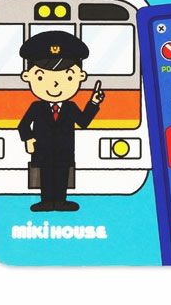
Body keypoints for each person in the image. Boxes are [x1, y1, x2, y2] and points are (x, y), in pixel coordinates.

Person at [18, 30, 105, 212]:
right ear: (27, 76)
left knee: (62, 175)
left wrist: (94, 103)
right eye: (41, 77)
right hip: (43, 151)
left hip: (64, 152)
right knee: (46, 176)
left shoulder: (71, 107)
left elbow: (83, 122)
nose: (55, 84)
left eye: (68, 77)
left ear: (81, 76)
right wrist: (28, 138)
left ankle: (60, 201)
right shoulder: (36, 107)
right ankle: (46, 202)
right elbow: (23, 125)